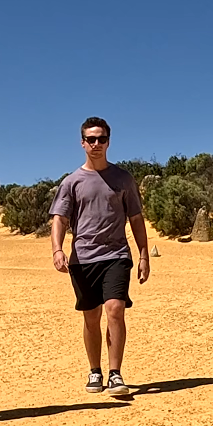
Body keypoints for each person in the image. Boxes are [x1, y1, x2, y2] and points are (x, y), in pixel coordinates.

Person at [49, 117, 150, 398]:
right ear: (82, 143)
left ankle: (116, 373)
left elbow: (136, 218)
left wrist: (143, 254)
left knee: (115, 310)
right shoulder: (72, 182)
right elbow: (59, 218)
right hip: (82, 259)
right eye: (90, 139)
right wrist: (57, 250)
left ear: (108, 142)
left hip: (116, 255)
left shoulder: (123, 179)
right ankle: (95, 370)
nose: (96, 144)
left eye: (101, 139)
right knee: (91, 317)